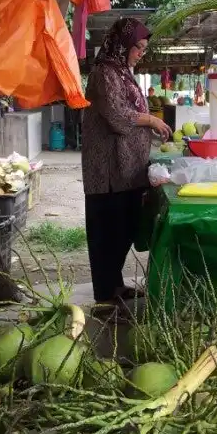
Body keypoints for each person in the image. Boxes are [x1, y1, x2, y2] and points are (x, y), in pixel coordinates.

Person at [81, 17, 171, 314]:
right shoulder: (104, 72)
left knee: (124, 226)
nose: (141, 53)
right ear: (123, 45)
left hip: (127, 168)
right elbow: (117, 115)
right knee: (109, 229)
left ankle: (114, 286)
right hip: (108, 169)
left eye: (144, 48)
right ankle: (106, 295)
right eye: (139, 47)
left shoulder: (121, 72)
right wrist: (151, 120)